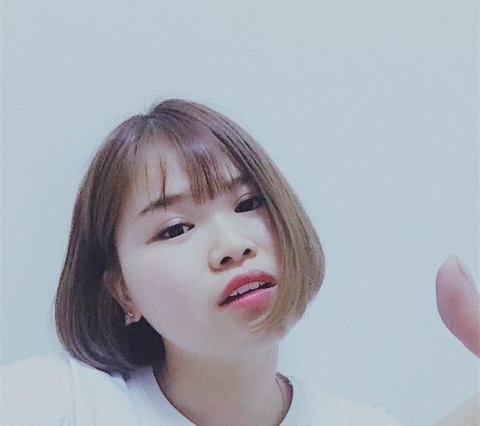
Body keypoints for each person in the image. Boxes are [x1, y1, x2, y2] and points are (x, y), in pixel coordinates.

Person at [1, 99, 478, 425]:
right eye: (176, 229)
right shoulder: (52, 403)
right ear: (123, 290)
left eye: (249, 204)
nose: (233, 245)